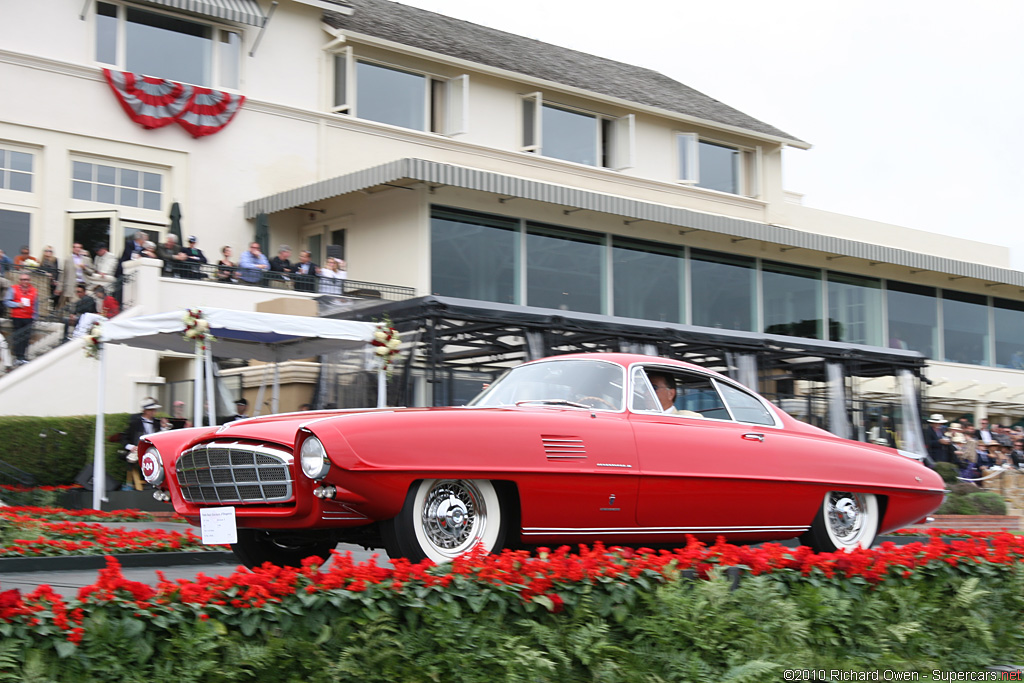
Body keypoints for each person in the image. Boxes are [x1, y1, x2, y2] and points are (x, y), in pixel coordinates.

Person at [121, 398, 163, 491]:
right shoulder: (135, 423)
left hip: (154, 450)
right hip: (139, 451)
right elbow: (124, 438)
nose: (154, 412)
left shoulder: (157, 423)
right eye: (151, 410)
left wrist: (164, 428)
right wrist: (132, 447)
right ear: (145, 411)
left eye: (154, 410)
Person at [5, 271, 39, 364]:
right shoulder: (13, 289)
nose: (25, 281)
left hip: (28, 317)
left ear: (30, 280)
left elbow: (36, 305)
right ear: (20, 280)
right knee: (18, 336)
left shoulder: (34, 290)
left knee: (26, 338)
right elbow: (6, 301)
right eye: (23, 279)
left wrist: (35, 316)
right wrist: (17, 304)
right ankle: (17, 357)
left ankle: (23, 356)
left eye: (27, 279)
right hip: (17, 317)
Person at [59, 242, 93, 306]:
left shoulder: (86, 259)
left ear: (81, 248)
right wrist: (59, 288)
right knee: (73, 304)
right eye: (74, 247)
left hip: (82, 285)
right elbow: (63, 274)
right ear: (72, 248)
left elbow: (91, 273)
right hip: (71, 286)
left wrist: (84, 268)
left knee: (81, 305)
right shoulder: (68, 259)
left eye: (78, 247)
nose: (76, 249)